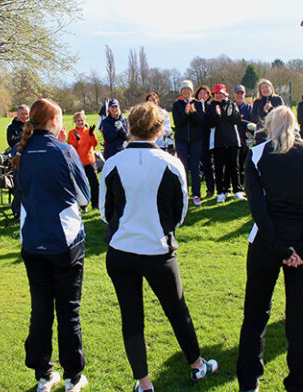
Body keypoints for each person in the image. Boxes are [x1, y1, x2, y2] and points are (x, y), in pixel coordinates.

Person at [100, 102, 218, 392]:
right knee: (177, 310)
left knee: (131, 318)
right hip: (157, 249)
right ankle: (197, 365)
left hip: (121, 251)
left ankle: (144, 383)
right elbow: (181, 212)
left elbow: (105, 212)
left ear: (130, 127)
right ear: (159, 128)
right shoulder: (171, 162)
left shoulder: (113, 162)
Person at [237, 106, 303, 392]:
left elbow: (257, 207)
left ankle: (249, 381)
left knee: (256, 314)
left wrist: (284, 249)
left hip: (268, 244)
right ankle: (299, 384)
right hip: (295, 242)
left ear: (268, 126)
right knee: (300, 318)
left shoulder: (258, 155)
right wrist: (300, 250)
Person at [12, 98, 90, 392]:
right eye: (60, 118)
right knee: (68, 310)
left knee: (41, 308)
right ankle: (72, 376)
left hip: (32, 241)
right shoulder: (64, 151)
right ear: (53, 121)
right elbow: (84, 197)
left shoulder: (23, 152)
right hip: (64, 241)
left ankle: (44, 375)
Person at [207, 84, 243, 203]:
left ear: (225, 94)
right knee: (218, 168)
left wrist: (230, 115)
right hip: (218, 142)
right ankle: (220, 192)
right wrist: (217, 116)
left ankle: (237, 191)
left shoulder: (231, 104)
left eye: (220, 93)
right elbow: (209, 123)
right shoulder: (211, 106)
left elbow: (237, 120)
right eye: (216, 94)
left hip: (232, 141)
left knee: (234, 167)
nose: (218, 96)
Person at [172, 80, 205, 206]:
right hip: (181, 141)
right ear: (181, 91)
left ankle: (196, 194)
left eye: (188, 89)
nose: (186, 91)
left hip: (196, 140)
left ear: (191, 91)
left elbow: (201, 120)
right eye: (184, 89)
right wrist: (186, 114)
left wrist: (193, 112)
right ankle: (183, 193)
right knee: (183, 167)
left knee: (195, 168)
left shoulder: (197, 103)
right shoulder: (176, 104)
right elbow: (177, 123)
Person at [67, 110, 99, 210]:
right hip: (78, 162)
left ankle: (95, 204)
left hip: (90, 161)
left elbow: (94, 144)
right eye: (77, 121)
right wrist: (77, 140)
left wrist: (92, 135)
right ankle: (83, 205)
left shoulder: (89, 131)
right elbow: (71, 148)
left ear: (84, 120)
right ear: (74, 122)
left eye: (81, 120)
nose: (80, 123)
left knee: (94, 183)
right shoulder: (72, 133)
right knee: (79, 185)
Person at [7, 104, 30, 219]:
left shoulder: (33, 125)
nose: (25, 116)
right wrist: (25, 139)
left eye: (27, 114)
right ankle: (17, 212)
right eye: (22, 114)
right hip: (18, 160)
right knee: (19, 186)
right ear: (17, 114)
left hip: (31, 158)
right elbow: (11, 142)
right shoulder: (12, 127)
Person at [195, 85, 215, 198]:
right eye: (200, 93)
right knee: (195, 166)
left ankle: (210, 189)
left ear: (208, 96)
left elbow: (210, 122)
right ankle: (194, 192)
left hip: (206, 140)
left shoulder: (210, 107)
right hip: (194, 140)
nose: (202, 95)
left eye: (204, 93)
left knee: (207, 166)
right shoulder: (193, 105)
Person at [233, 85, 253, 185]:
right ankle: (236, 185)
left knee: (244, 164)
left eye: (241, 93)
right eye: (237, 93)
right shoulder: (230, 106)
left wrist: (241, 121)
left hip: (245, 140)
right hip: (232, 140)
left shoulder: (249, 108)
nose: (239, 95)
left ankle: (244, 184)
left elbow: (252, 124)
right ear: (234, 94)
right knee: (234, 164)